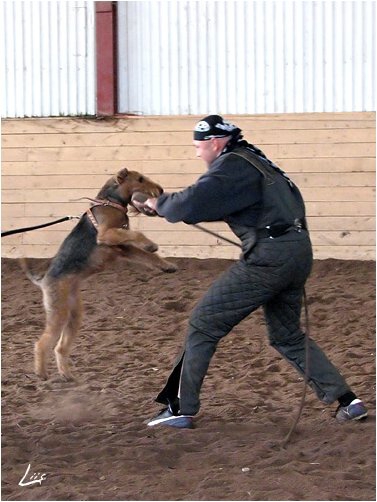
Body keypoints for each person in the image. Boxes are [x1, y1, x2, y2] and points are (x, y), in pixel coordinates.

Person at [133, 115, 367, 429]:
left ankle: (180, 409)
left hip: (269, 259)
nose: (197, 153)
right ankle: (347, 401)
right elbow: (214, 203)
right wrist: (161, 207)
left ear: (215, 142)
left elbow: (191, 203)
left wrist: (160, 203)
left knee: (203, 323)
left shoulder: (232, 165)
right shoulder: (256, 161)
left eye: (198, 146)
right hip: (296, 252)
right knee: (287, 336)